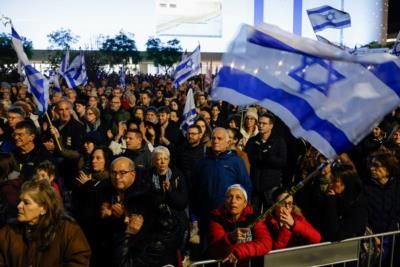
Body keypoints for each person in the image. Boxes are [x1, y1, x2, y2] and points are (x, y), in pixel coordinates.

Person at [0, 179, 91, 266]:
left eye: (26, 203)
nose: (19, 206)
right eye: (20, 201)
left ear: (43, 208)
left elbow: (79, 261)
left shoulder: (67, 231)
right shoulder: (8, 233)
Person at [207, 184, 272, 267]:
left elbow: (265, 243)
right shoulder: (216, 218)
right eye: (229, 197)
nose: (233, 201)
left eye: (238, 198)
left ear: (245, 204)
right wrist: (230, 238)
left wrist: (238, 252)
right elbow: (216, 251)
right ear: (224, 202)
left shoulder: (254, 217)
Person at [245, 112, 287, 213]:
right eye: (259, 123)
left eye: (264, 123)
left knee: (271, 214)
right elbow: (246, 158)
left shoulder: (279, 141)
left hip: (271, 186)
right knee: (252, 214)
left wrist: (268, 157)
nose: (260, 125)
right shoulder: (252, 141)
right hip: (254, 184)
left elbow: (282, 162)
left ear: (271, 126)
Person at [320, 163, 368, 241]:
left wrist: (331, 203)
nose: (331, 183)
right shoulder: (336, 197)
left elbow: (336, 235)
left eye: (335, 181)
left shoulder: (358, 206)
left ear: (346, 183)